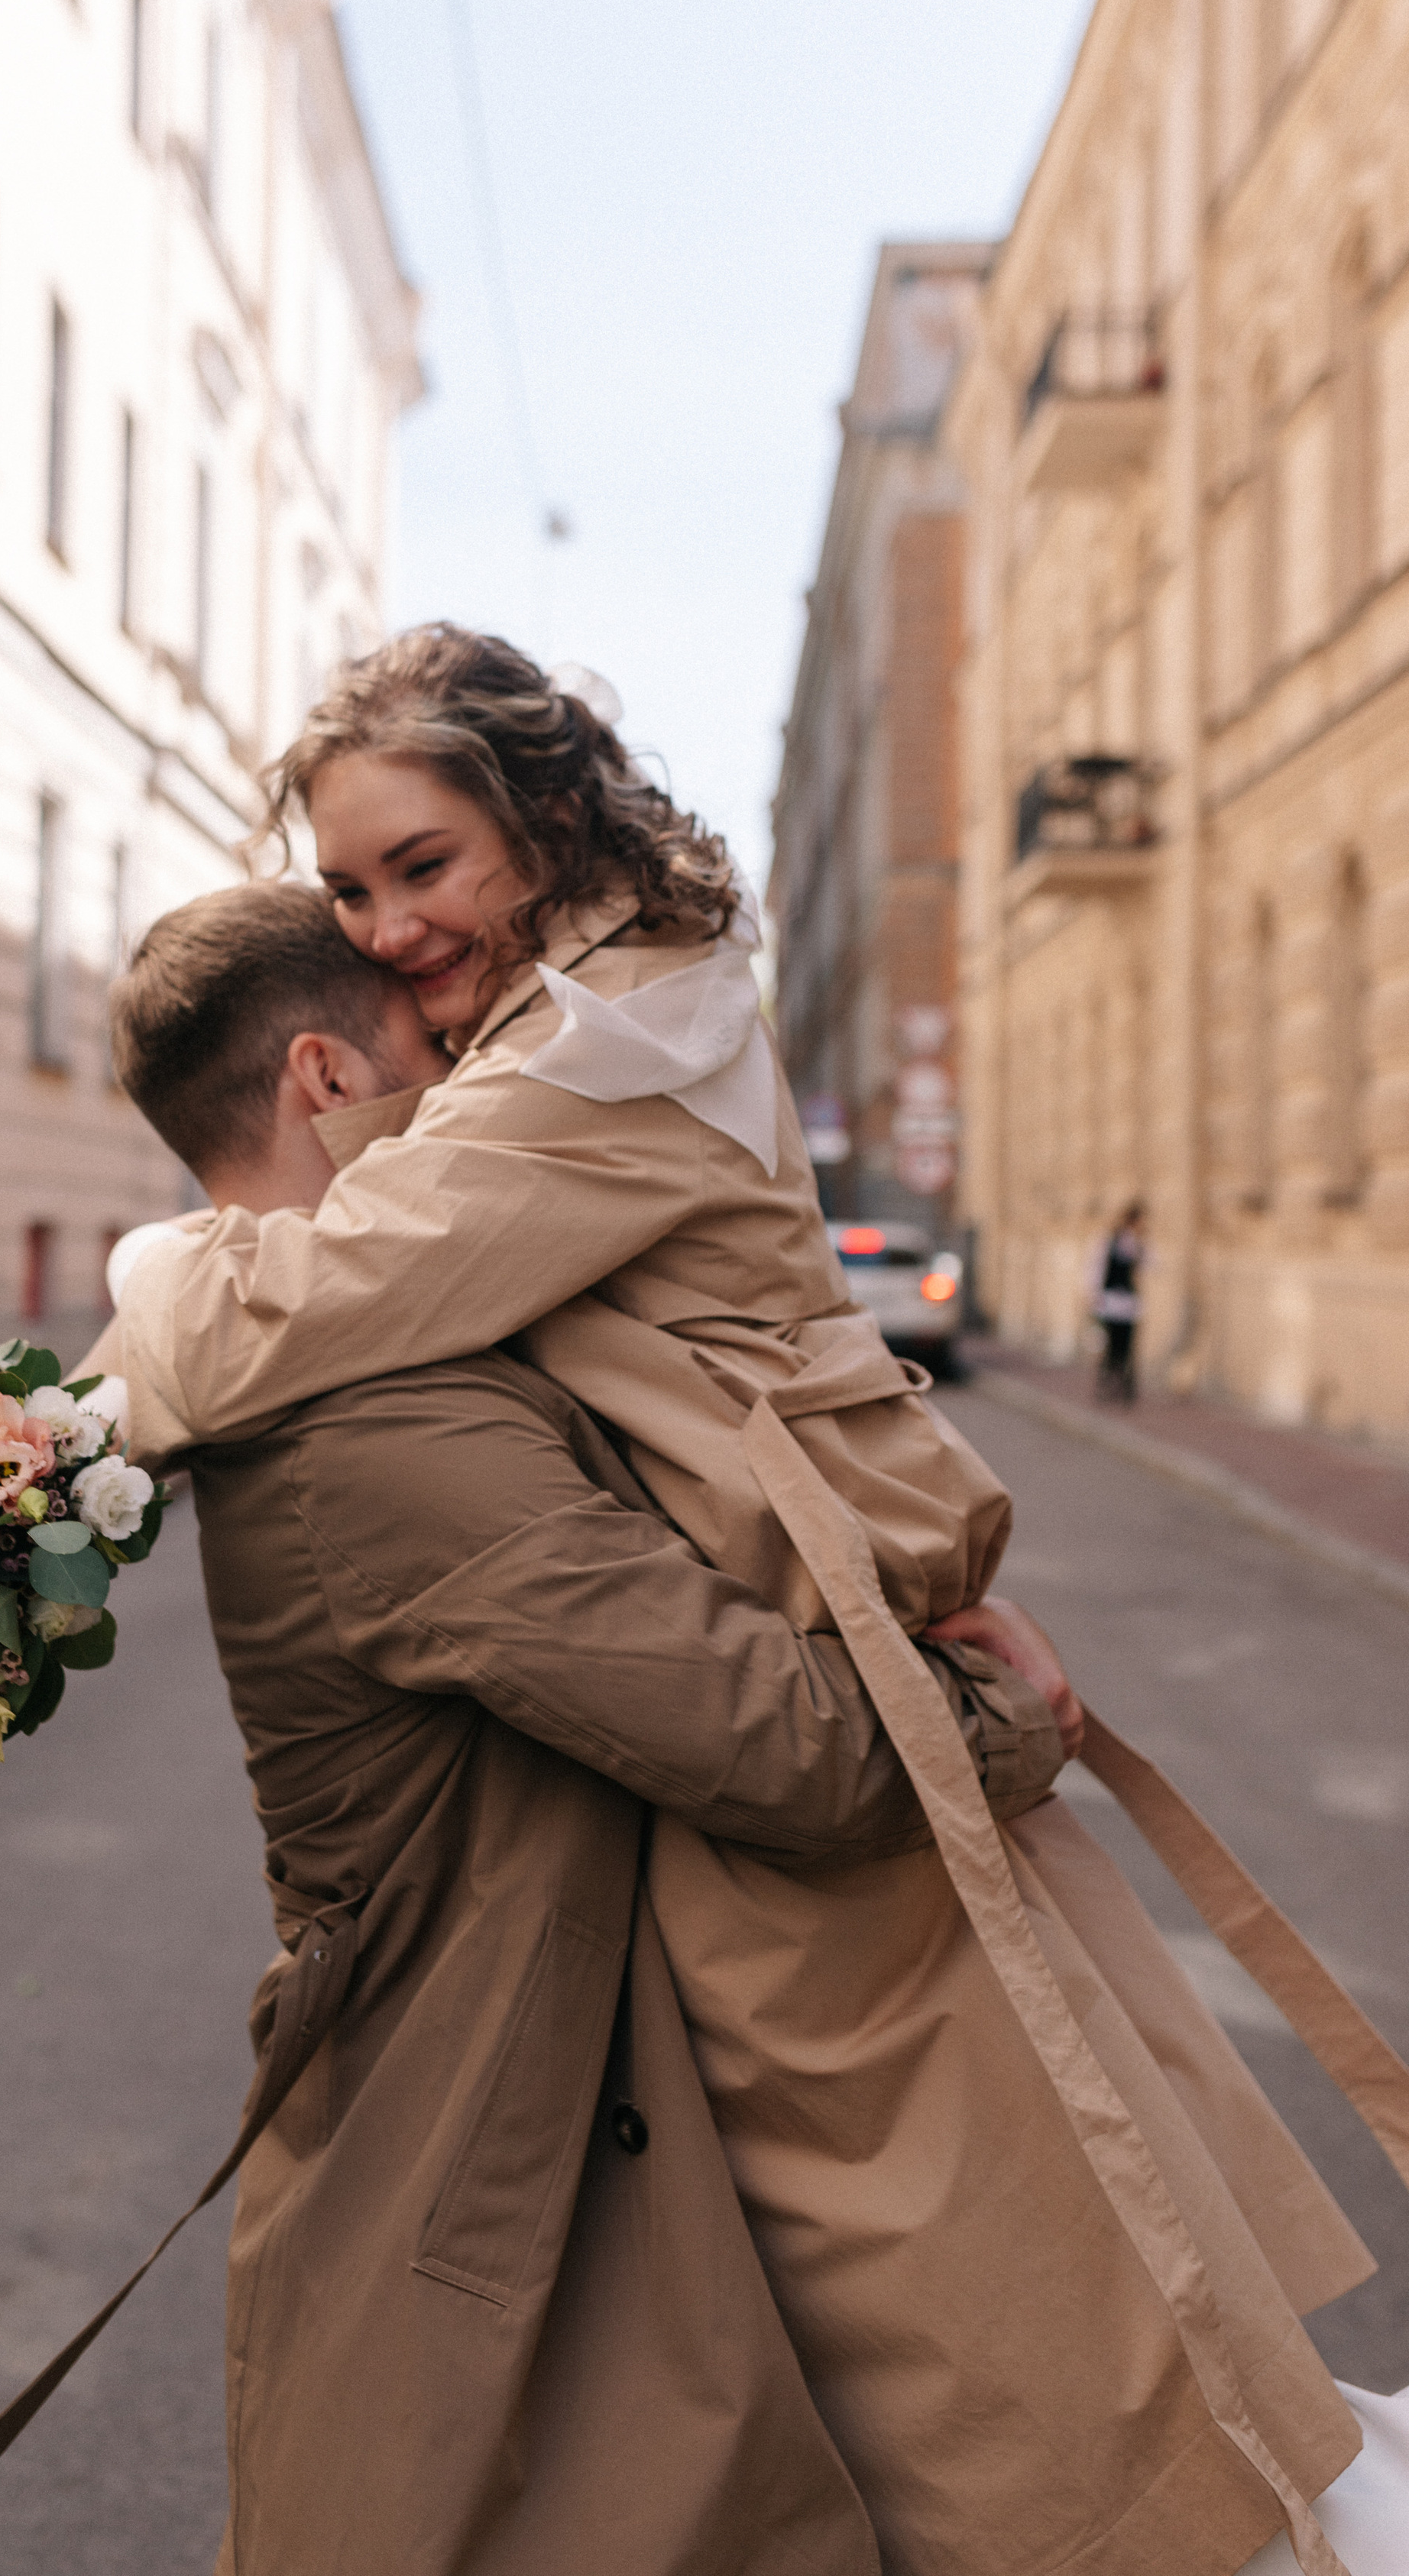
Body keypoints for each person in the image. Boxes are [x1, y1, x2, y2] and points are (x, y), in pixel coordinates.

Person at [100, 631, 1391, 2576]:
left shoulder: (602, 1050)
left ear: (541, 820)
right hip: (789, 1646)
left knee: (1000, 2317)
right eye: (351, 886)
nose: (387, 928)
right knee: (1000, 2296)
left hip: (815, 1645)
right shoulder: (567, 1019)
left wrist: (88, 1358)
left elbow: (321, 1290)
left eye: (420, 866)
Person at [104, 882, 1074, 2572]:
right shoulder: (383, 1424)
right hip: (492, 2183)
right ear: (329, 1080)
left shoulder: (303, 1356)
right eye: (441, 1061)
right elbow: (791, 1748)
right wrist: (1006, 1708)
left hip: (469, 2141)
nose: (482, 1097)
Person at [1094, 1199, 1146, 1402]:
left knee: (1127, 1348)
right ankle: (1106, 1385)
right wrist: (1095, 1297)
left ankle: (1125, 1390)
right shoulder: (1110, 1241)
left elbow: (1152, 1265)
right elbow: (1097, 1269)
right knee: (1111, 1346)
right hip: (1111, 1301)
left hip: (1129, 1304)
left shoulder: (1139, 1244)